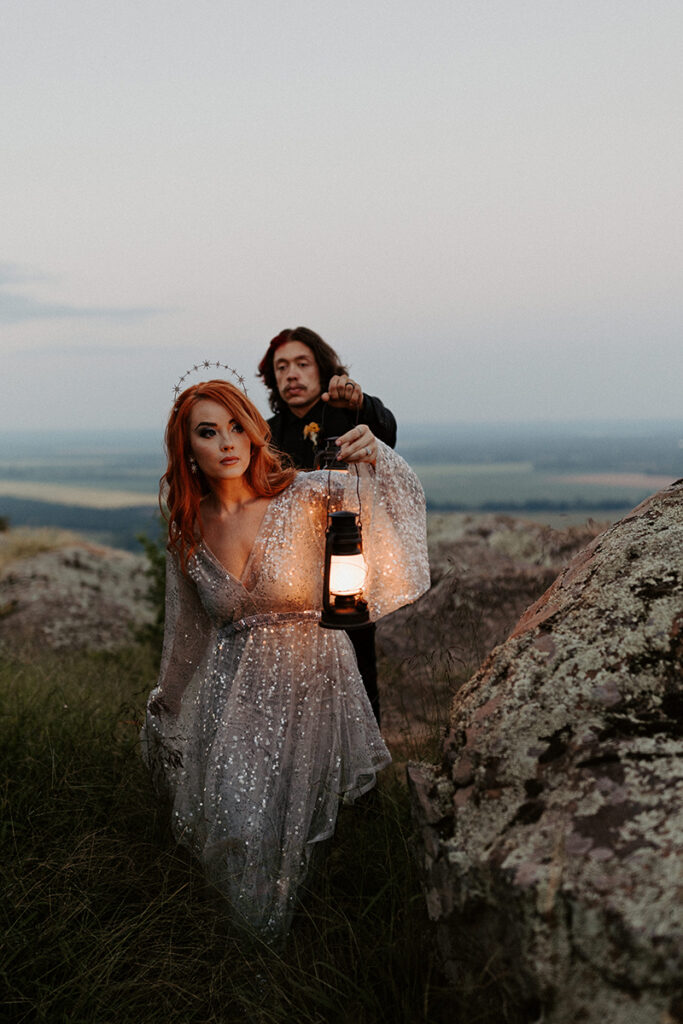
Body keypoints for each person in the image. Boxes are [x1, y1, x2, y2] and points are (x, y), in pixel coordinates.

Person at [141, 373, 429, 943]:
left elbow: (386, 503)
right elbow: (189, 634)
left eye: (236, 427)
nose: (226, 442)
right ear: (187, 448)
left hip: (314, 679)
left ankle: (307, 948)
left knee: (310, 836)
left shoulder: (306, 493)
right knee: (236, 817)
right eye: (207, 432)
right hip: (234, 692)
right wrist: (167, 703)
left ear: (253, 434)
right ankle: (245, 951)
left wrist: (379, 457)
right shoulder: (188, 528)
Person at [258, 327, 397, 723]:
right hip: (290, 580)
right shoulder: (264, 433)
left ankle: (365, 777)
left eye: (302, 364)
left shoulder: (349, 414)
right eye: (281, 367)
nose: (291, 375)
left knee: (357, 679)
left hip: (347, 568)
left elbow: (387, 433)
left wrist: (360, 402)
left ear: (322, 369)